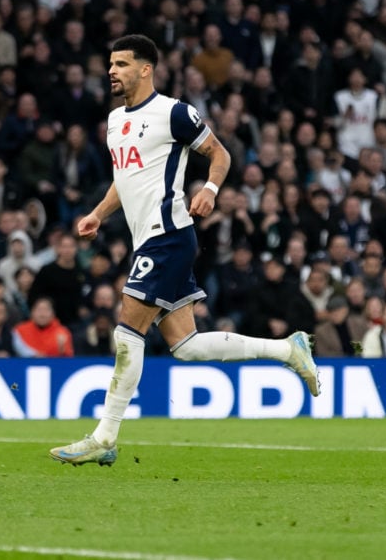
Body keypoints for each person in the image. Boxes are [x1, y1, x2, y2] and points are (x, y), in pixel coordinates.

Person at [51, 35, 319, 467]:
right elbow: (125, 179)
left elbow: (220, 154)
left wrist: (210, 189)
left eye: (121, 64)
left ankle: (104, 437)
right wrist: (98, 214)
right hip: (150, 238)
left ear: (145, 69)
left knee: (126, 333)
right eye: (110, 64)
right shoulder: (116, 120)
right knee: (187, 345)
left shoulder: (174, 112)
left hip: (169, 234)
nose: (111, 71)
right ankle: (288, 351)